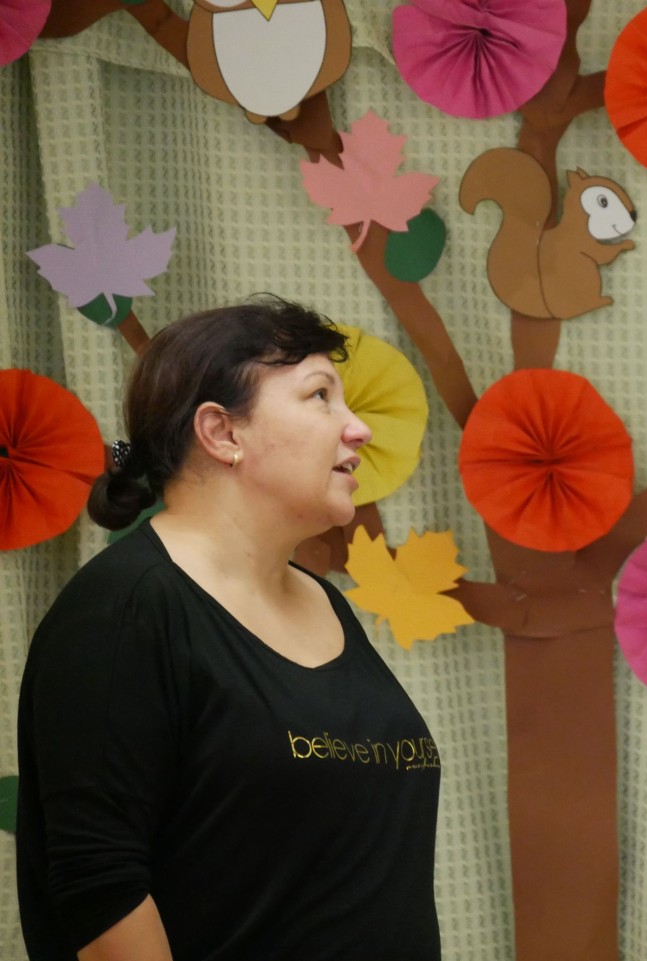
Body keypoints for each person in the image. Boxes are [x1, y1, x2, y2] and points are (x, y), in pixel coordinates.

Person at [16, 297, 443, 961]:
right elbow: (99, 890)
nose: (358, 428)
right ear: (221, 433)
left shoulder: (327, 603)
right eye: (320, 396)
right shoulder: (124, 610)